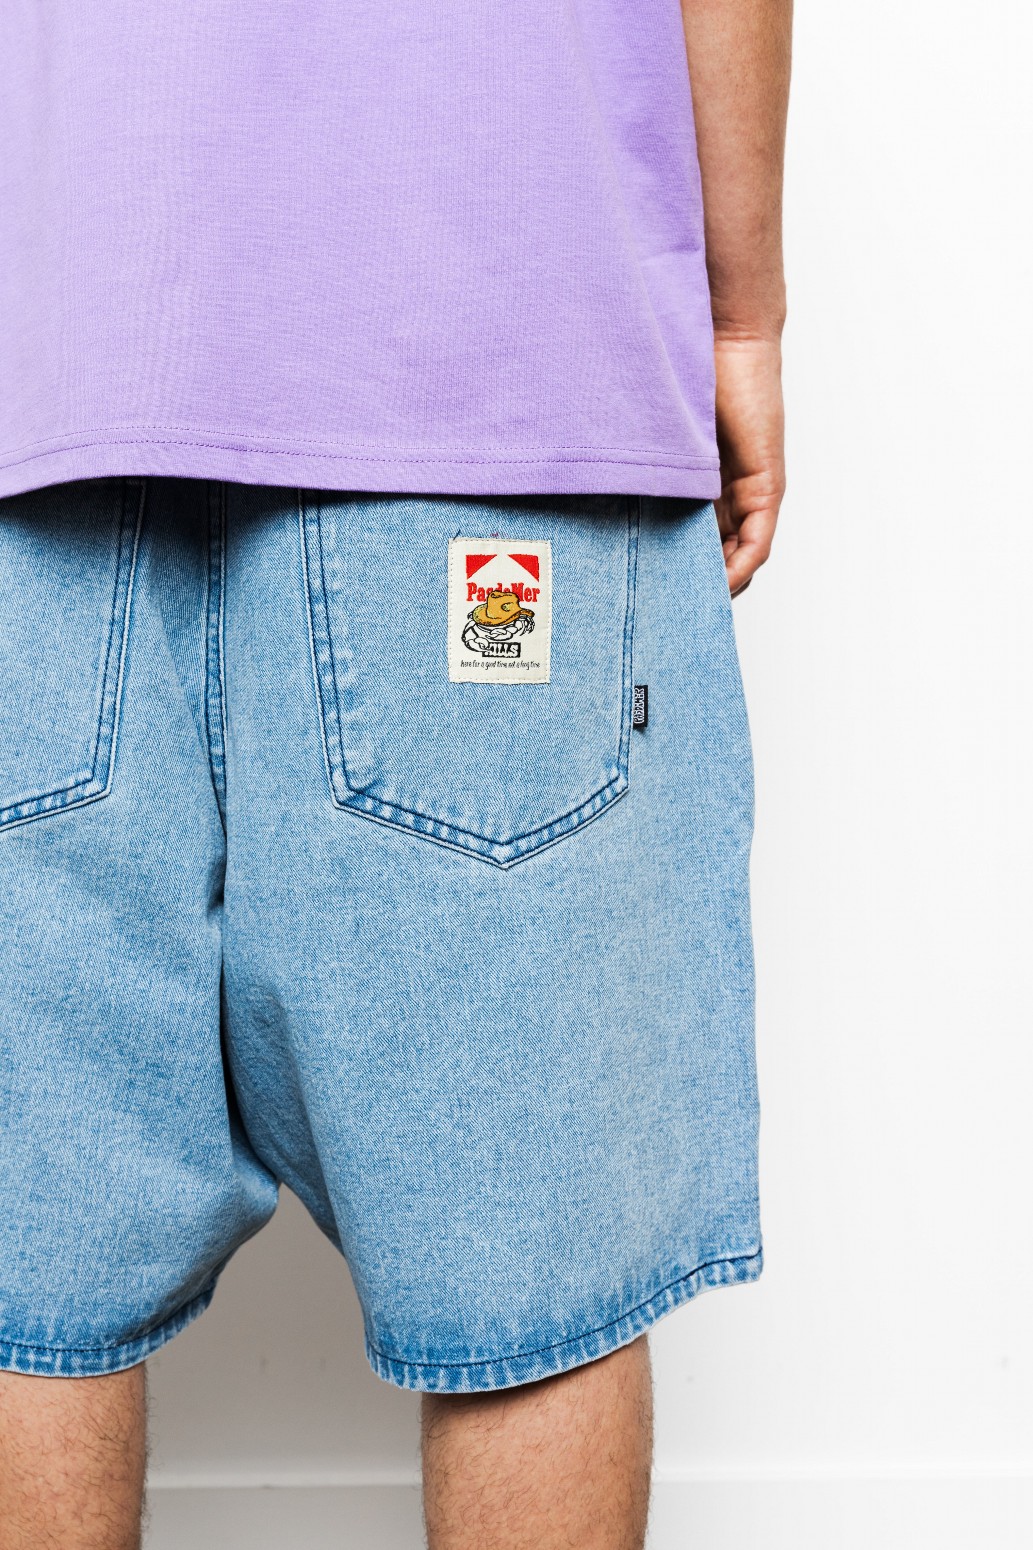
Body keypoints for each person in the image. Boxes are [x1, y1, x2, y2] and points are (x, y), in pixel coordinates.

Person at [0, 2, 790, 1545]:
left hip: (37, 343)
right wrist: (742, 313)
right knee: (526, 1258)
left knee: (26, 1262)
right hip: (484, 331)